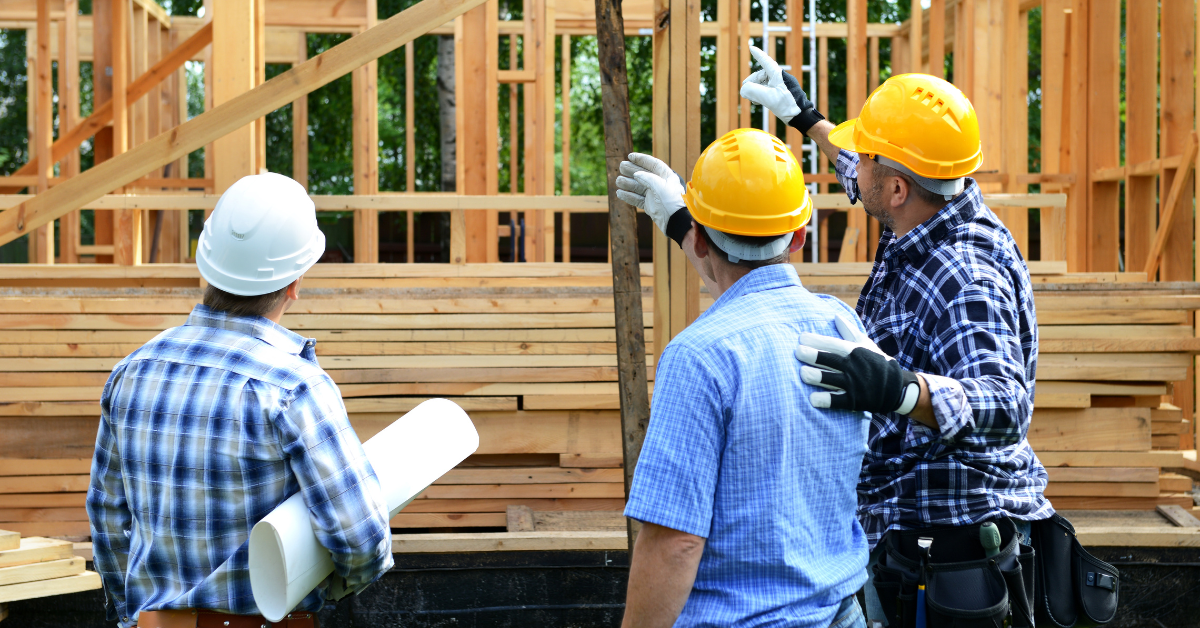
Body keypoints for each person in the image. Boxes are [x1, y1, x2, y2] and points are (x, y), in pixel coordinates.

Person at [740, 46, 1053, 626]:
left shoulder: (964, 274)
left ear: (900, 189)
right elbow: (871, 171)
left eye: (867, 158)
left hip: (957, 555)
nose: (854, 166)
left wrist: (901, 391)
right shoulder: (925, 207)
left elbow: (1007, 405)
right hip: (913, 540)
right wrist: (805, 117)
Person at [87, 173, 394, 628]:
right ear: (294, 283)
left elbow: (107, 517)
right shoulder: (294, 387)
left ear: (206, 264)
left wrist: (133, 614)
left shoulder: (132, 371)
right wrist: (319, 585)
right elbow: (361, 539)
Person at [614, 128, 869, 628]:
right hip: (840, 614)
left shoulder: (699, 356)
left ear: (702, 238)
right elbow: (752, 283)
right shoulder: (841, 325)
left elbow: (675, 543)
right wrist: (678, 220)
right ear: (799, 234)